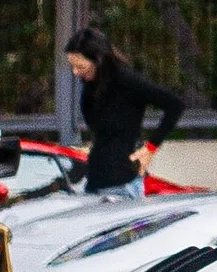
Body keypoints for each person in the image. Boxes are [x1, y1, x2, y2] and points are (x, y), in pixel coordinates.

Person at [64, 24, 185, 194]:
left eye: (80, 66)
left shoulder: (126, 80)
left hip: (122, 184)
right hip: (95, 181)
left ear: (98, 60)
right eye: (72, 66)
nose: (75, 72)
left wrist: (151, 147)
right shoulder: (92, 85)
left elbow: (175, 104)